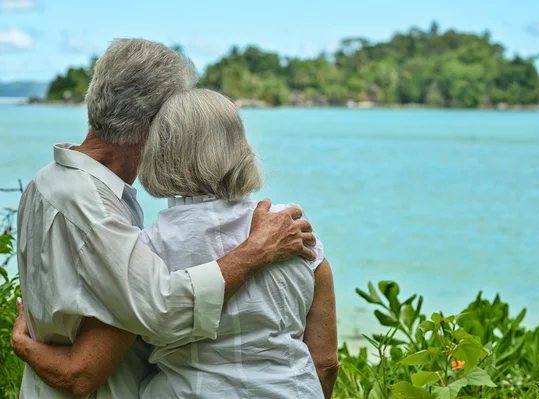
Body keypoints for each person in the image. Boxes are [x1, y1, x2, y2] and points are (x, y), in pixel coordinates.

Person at [10, 39, 317, 399]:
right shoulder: (92, 206)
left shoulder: (45, 182)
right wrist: (256, 249)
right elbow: (160, 310)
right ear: (153, 125)